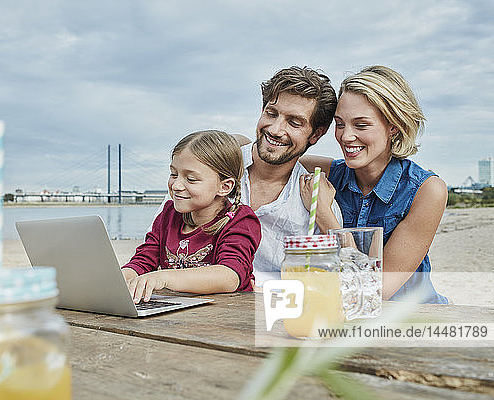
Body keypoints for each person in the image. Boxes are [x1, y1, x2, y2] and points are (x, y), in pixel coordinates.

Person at [299, 65, 449, 304]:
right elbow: (254, 153)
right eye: (340, 124)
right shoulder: (328, 172)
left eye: (361, 125)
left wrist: (325, 215)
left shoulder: (427, 190)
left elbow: (375, 290)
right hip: (346, 318)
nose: (346, 136)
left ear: (394, 126)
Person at [121, 130, 261, 303]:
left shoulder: (241, 220)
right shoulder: (169, 214)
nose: (176, 185)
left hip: (226, 318)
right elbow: (143, 260)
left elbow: (229, 276)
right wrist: (121, 277)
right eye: (174, 174)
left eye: (191, 179)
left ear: (224, 187)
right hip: (178, 315)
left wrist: (162, 278)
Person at [235, 66, 342, 286]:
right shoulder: (213, 166)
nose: (275, 129)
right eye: (271, 113)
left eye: (294, 122)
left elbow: (336, 286)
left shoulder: (316, 203)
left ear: (316, 134)